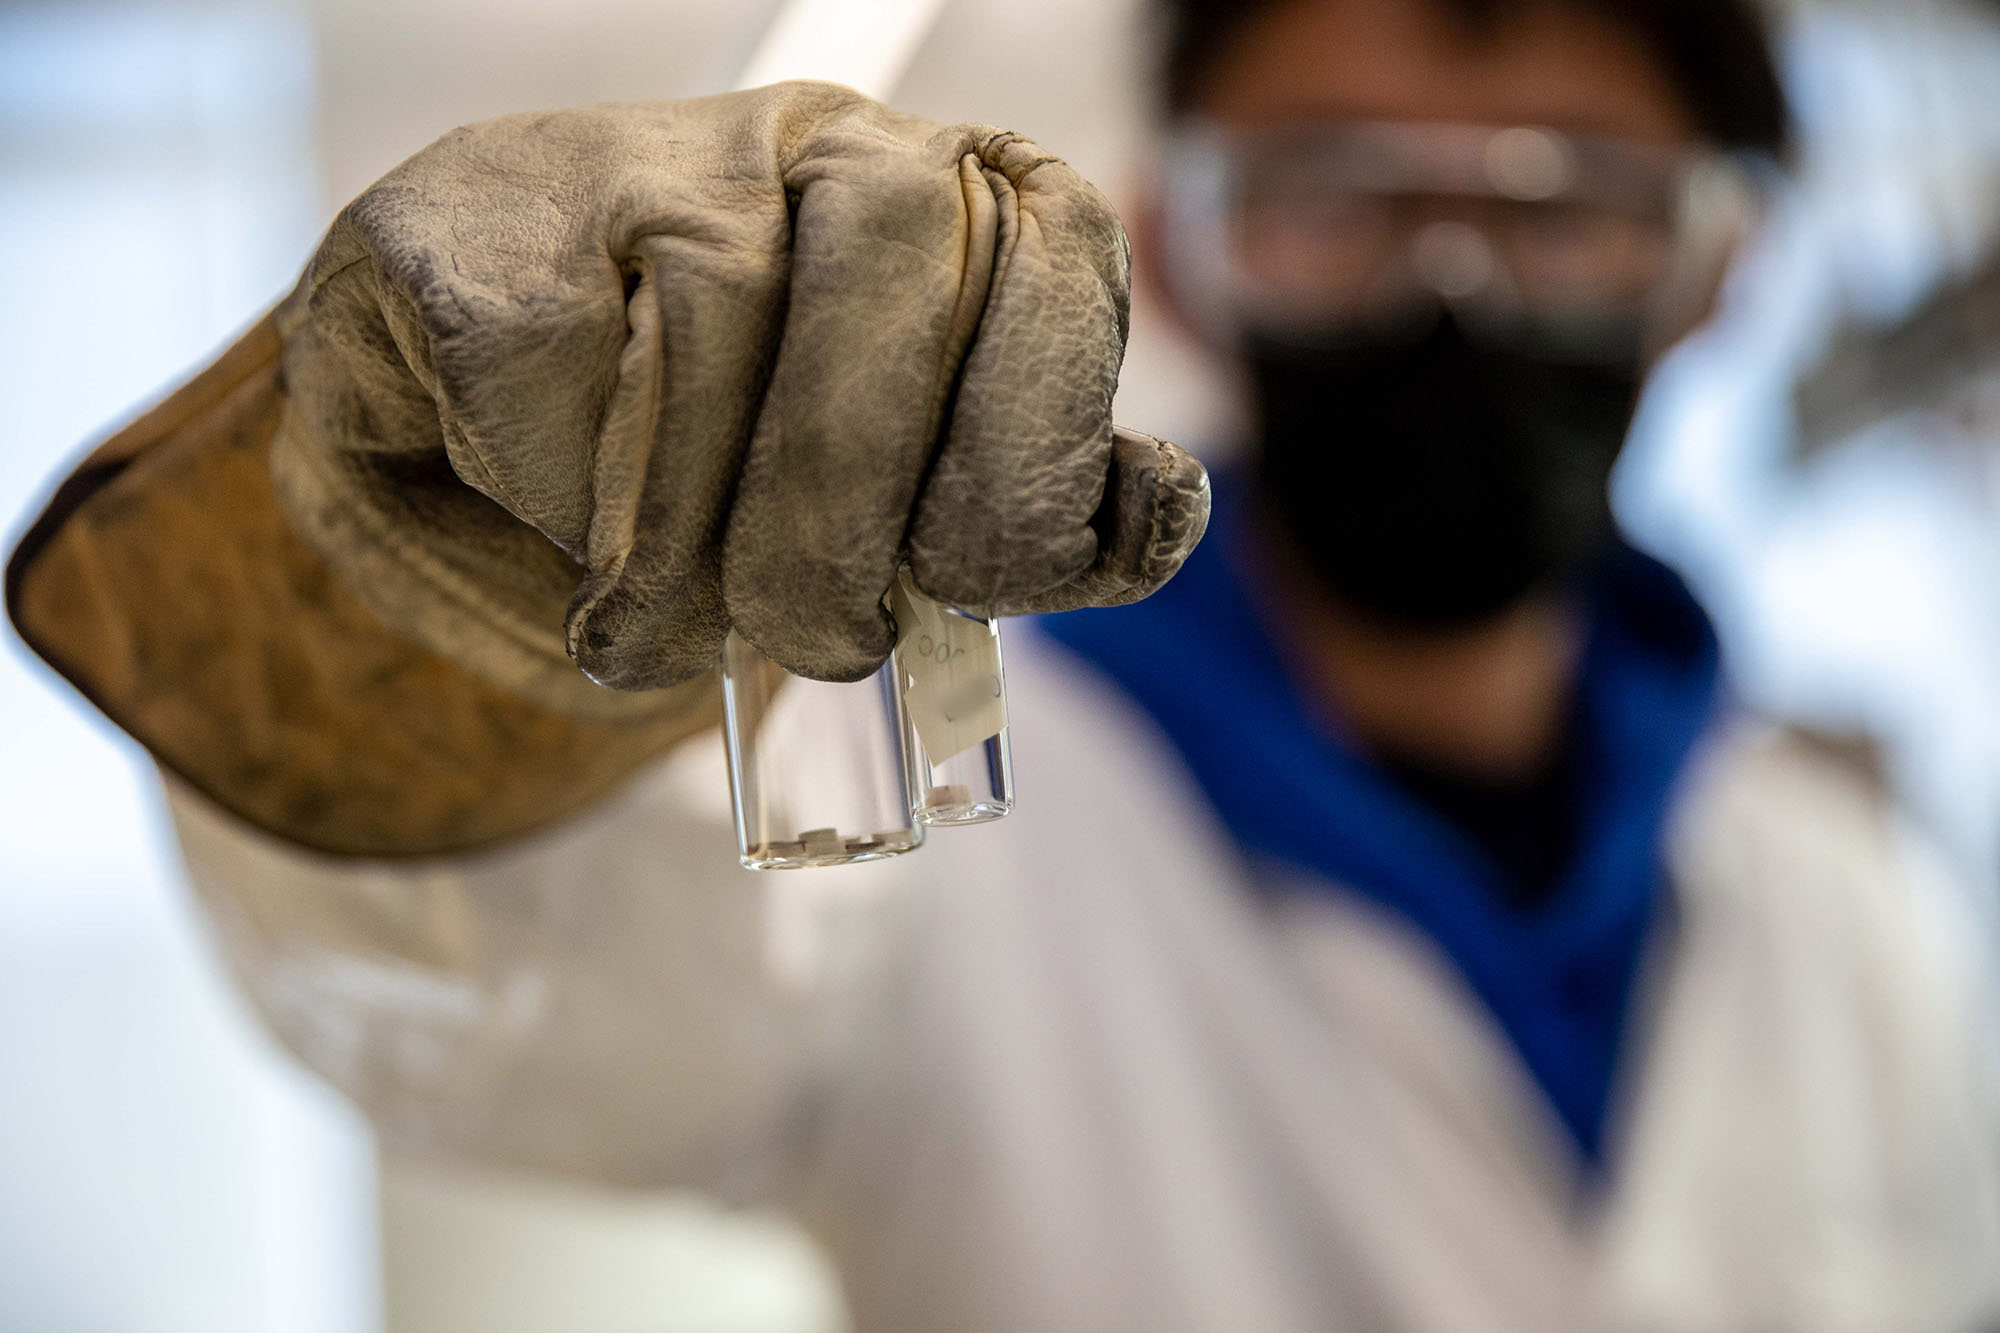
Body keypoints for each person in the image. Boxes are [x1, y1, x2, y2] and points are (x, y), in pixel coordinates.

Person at [9, 0, 2000, 1327]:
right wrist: (453, 593)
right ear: (1173, 234)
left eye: (1568, 207)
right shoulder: (904, 779)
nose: (1451, 286)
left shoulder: (1848, 904)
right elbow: (484, 986)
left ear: (1718, 271)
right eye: (1334, 195)